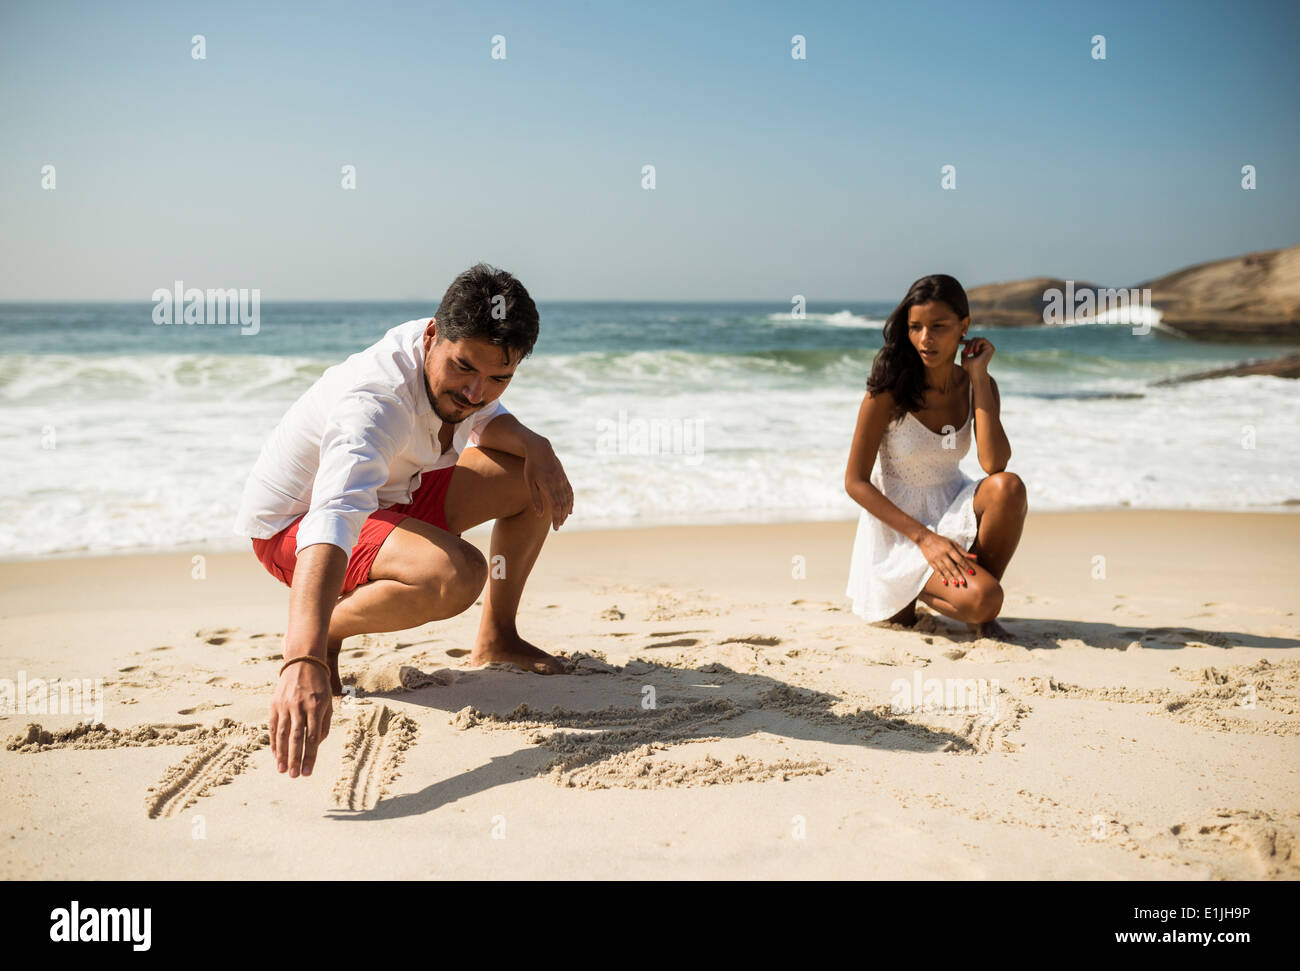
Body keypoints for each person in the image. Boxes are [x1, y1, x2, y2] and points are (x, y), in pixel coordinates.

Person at [234, 263, 574, 779]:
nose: (477, 390)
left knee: (529, 479)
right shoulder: (374, 404)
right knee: (456, 574)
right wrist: (299, 660)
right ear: (433, 335)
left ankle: (497, 637)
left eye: (499, 377)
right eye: (464, 369)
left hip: (399, 492)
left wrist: (536, 445)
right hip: (294, 527)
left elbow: (482, 416)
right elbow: (335, 515)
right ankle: (322, 632)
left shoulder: (460, 357)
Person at [844, 274, 1027, 639]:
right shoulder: (886, 393)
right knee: (986, 599)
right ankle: (964, 596)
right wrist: (926, 539)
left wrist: (978, 378)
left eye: (938, 327)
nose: (925, 339)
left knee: (1008, 487)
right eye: (915, 327)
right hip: (901, 529)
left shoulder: (978, 385)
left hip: (953, 506)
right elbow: (855, 483)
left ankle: (972, 599)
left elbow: (994, 464)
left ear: (964, 327)